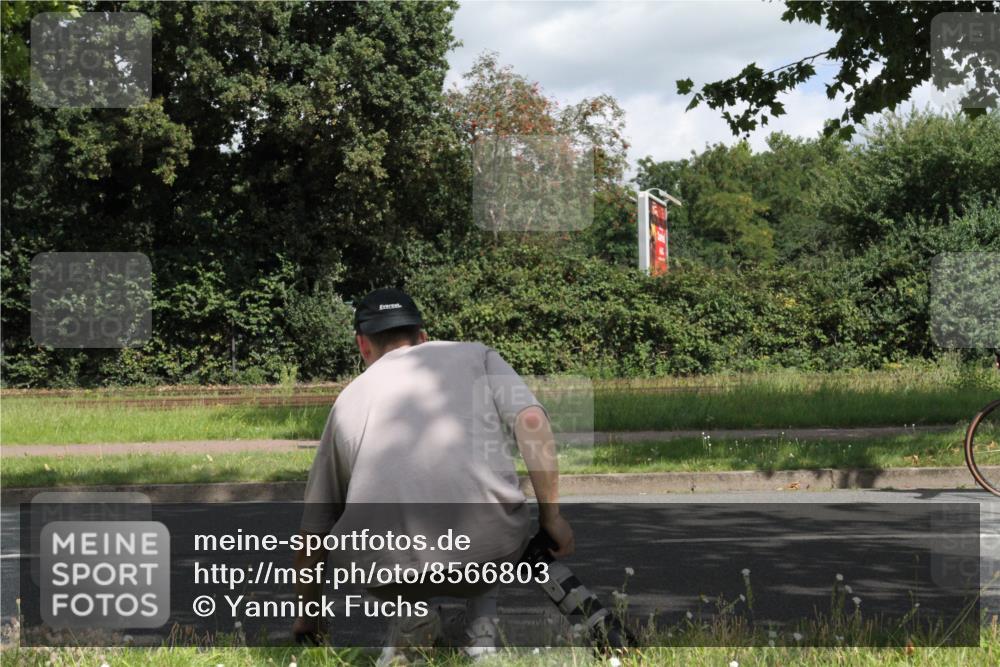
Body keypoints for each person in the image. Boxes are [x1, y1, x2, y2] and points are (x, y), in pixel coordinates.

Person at [292, 287, 574, 664]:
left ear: (363, 345)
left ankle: (408, 614)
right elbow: (532, 421)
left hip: (388, 569)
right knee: (485, 512)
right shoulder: (477, 355)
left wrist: (310, 617)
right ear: (423, 336)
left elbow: (313, 532)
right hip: (489, 551)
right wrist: (551, 517)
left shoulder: (347, 401)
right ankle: (482, 636)